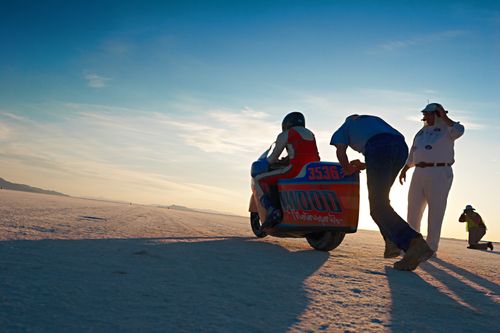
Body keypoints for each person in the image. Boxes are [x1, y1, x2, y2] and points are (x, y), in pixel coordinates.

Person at [331, 114, 434, 271]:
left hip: (378, 149)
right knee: (382, 203)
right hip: (400, 148)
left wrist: (347, 168)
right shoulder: (372, 120)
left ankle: (414, 243)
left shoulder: (345, 126)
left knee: (378, 207)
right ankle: (394, 244)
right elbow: (386, 148)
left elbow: (341, 151)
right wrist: (367, 164)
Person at [399, 103, 464, 254]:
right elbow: (413, 153)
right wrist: (406, 169)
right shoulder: (421, 133)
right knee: (413, 209)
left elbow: (460, 131)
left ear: (437, 114)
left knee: (436, 211)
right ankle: (412, 245)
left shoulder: (448, 129)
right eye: (424, 113)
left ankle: (430, 248)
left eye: (428, 113)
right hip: (419, 172)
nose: (425, 116)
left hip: (440, 172)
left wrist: (445, 117)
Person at [255, 112, 320, 229]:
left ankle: (273, 211)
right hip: (311, 172)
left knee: (259, 180)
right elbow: (302, 153)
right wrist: (286, 160)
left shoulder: (285, 134)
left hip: (295, 171)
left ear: (286, 123)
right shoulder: (310, 134)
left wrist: (264, 163)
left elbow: (273, 158)